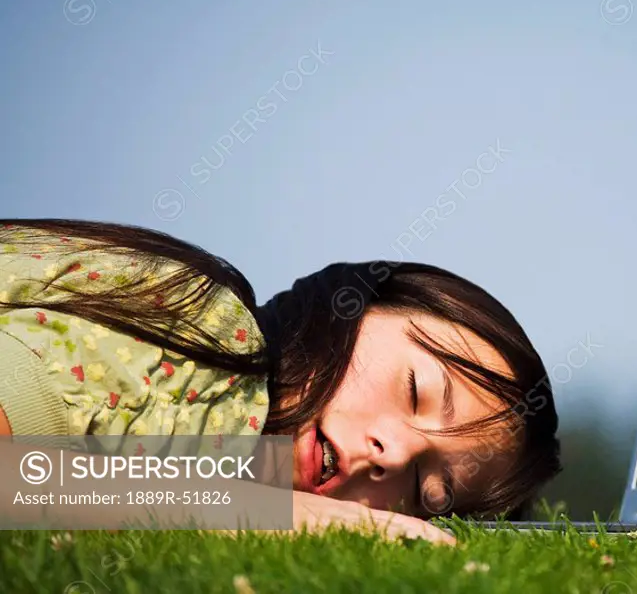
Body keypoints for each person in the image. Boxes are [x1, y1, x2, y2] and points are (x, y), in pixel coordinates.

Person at [0, 219, 561, 543]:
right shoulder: (205, 329)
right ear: (354, 310)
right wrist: (269, 513)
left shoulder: (237, 455)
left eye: (425, 491)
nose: (392, 454)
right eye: (415, 390)